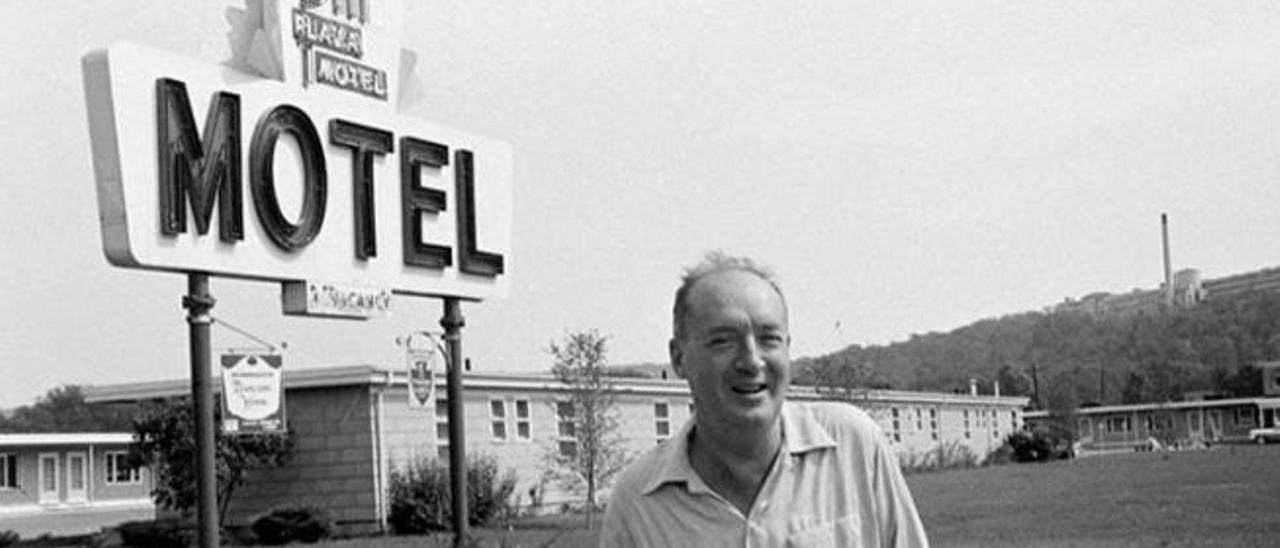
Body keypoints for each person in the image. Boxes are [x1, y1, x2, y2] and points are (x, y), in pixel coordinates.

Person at [600, 252, 930, 547]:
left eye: (768, 339)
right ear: (678, 357)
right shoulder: (638, 504)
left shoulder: (853, 447)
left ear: (788, 348)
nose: (751, 360)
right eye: (723, 341)